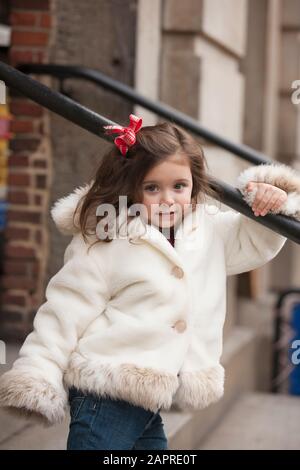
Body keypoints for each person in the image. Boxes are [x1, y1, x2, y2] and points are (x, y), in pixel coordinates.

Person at [0, 114, 299, 451]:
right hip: (104, 394)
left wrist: (272, 198)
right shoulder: (107, 237)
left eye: (179, 186)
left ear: (194, 184)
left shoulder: (208, 232)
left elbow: (255, 242)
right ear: (131, 185)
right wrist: (39, 371)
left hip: (148, 401)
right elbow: (65, 309)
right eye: (152, 187)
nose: (168, 199)